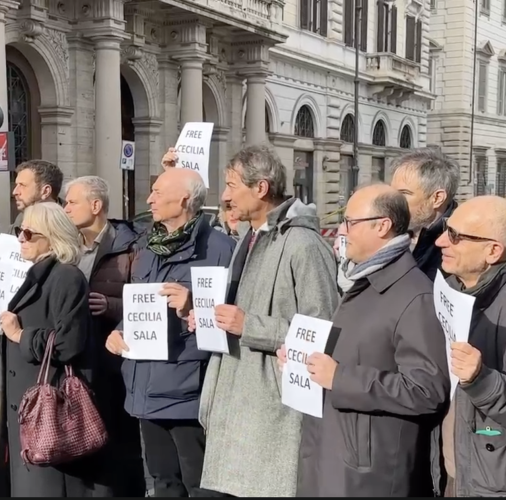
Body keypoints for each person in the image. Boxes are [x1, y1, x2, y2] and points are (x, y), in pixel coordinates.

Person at [278, 184, 450, 497]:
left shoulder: (413, 295)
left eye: (350, 222)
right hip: (333, 455)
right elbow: (357, 353)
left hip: (373, 473)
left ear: (382, 226)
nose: (342, 230)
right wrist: (304, 360)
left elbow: (427, 391)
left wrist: (339, 377)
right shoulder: (358, 280)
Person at [192, 145, 339, 497]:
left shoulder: (303, 243)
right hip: (236, 400)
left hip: (271, 410)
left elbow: (325, 329)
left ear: (260, 188)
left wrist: (249, 326)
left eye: (231, 185)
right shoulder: (249, 237)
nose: (225, 196)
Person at [106, 168, 235, 497]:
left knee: (201, 484)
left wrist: (193, 307)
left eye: (159, 193)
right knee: (163, 482)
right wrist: (119, 332)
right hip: (144, 385)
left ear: (184, 200)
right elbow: (140, 301)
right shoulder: (149, 246)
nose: (149, 199)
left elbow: (231, 316)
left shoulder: (220, 248)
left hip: (187, 390)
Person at [0, 202, 99, 497]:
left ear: (52, 237)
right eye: (19, 231)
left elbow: (68, 342)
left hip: (50, 408)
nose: (20, 238)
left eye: (28, 233)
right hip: (30, 408)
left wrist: (20, 335)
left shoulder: (66, 277)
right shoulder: (37, 273)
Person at [64, 176, 145, 496]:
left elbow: (148, 298)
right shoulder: (67, 247)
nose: (65, 208)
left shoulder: (129, 245)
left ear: (95, 206)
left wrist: (112, 306)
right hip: (79, 360)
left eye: (72, 202)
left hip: (115, 363)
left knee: (121, 445)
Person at [435, 196, 506, 497]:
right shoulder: (449, 290)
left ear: (493, 250)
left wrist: (480, 379)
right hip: (453, 474)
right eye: (444, 230)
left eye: (455, 236)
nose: (440, 241)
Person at [390, 147, 459, 279]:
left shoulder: (459, 246)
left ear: (437, 198)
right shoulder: (392, 231)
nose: (393, 202)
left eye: (403, 194)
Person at [11, 159, 64, 231]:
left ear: (45, 191)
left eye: (22, 185)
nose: (15, 192)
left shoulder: (72, 224)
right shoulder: (18, 222)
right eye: (16, 185)